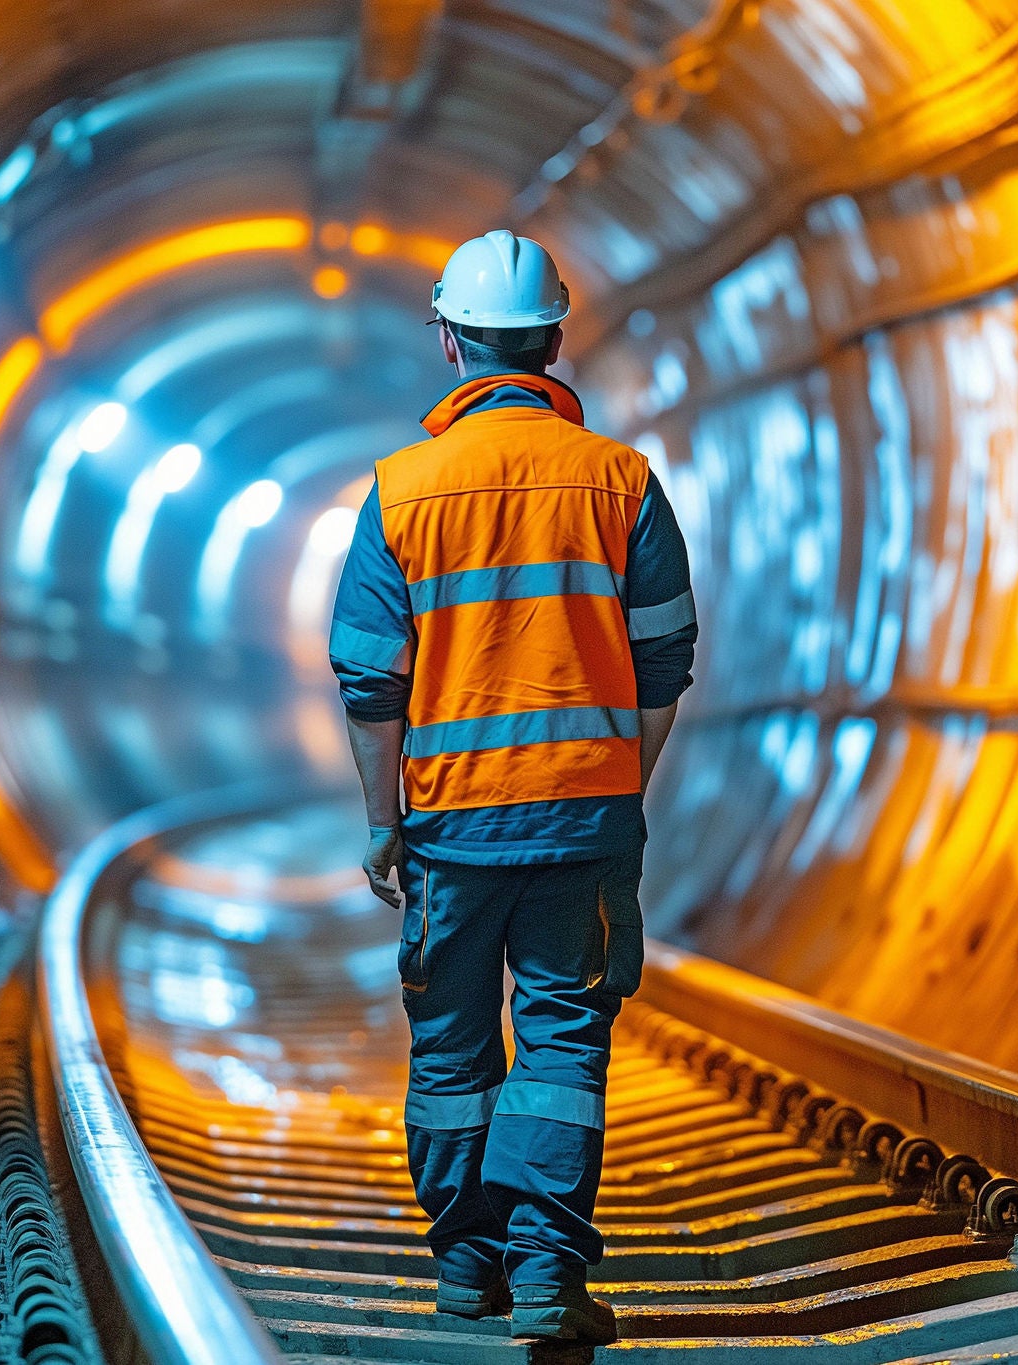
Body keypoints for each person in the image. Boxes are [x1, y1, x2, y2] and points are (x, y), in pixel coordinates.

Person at [328, 229, 697, 1348]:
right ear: (548, 342)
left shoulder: (400, 492)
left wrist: (382, 824)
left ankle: (463, 1265)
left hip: (448, 826)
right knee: (560, 1045)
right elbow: (663, 663)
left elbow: (367, 679)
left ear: (450, 340)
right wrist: (618, 797)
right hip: (581, 820)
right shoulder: (621, 482)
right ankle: (544, 1269)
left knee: (449, 1052)